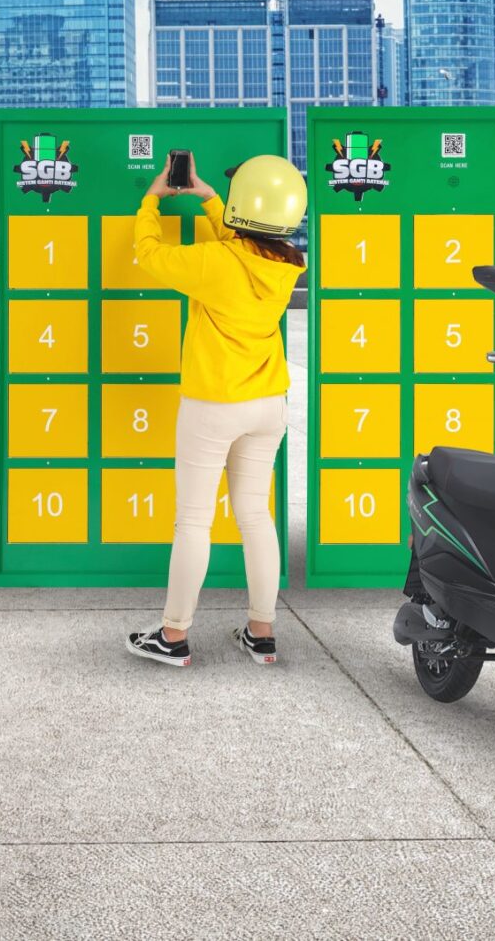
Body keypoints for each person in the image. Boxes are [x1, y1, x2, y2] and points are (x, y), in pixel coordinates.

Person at [124, 152, 306, 668]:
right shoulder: (286, 264)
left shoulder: (216, 263)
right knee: (255, 516)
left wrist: (153, 199)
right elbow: (241, 241)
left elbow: (149, 254)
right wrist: (208, 198)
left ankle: (174, 636)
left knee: (193, 523)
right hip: (268, 405)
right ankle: (262, 634)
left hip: (213, 406)